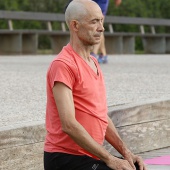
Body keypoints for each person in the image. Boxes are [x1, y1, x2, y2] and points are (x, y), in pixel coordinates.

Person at [44, 0, 147, 170]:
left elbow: (100, 116)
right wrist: (110, 159)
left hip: (88, 156)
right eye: (94, 22)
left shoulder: (93, 62)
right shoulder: (63, 64)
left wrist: (126, 153)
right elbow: (68, 124)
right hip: (65, 158)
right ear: (75, 25)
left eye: (101, 20)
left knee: (136, 167)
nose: (101, 27)